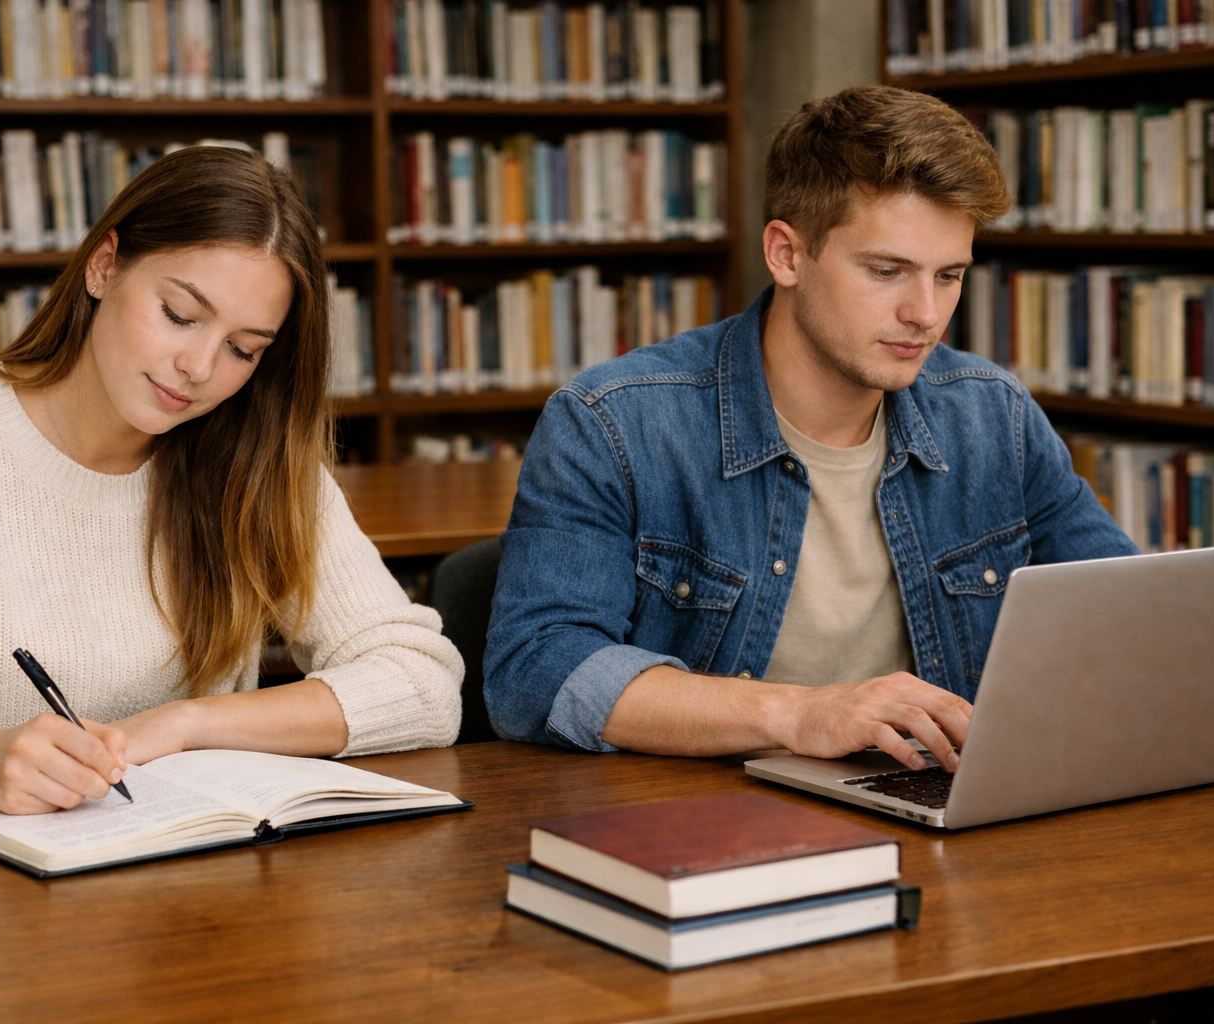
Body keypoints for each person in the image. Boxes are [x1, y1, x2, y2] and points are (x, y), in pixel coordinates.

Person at [0, 146, 463, 813]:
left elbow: (421, 683)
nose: (199, 367)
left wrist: (185, 724)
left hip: (185, 896)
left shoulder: (255, 459)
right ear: (104, 266)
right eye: (180, 315)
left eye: (243, 350)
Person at [483, 86, 1137, 770]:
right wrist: (797, 712)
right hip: (698, 818)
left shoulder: (993, 414)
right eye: (886, 271)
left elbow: (1130, 614)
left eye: (949, 276)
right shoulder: (611, 423)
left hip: (934, 805)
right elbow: (535, 671)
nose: (925, 312)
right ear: (786, 255)